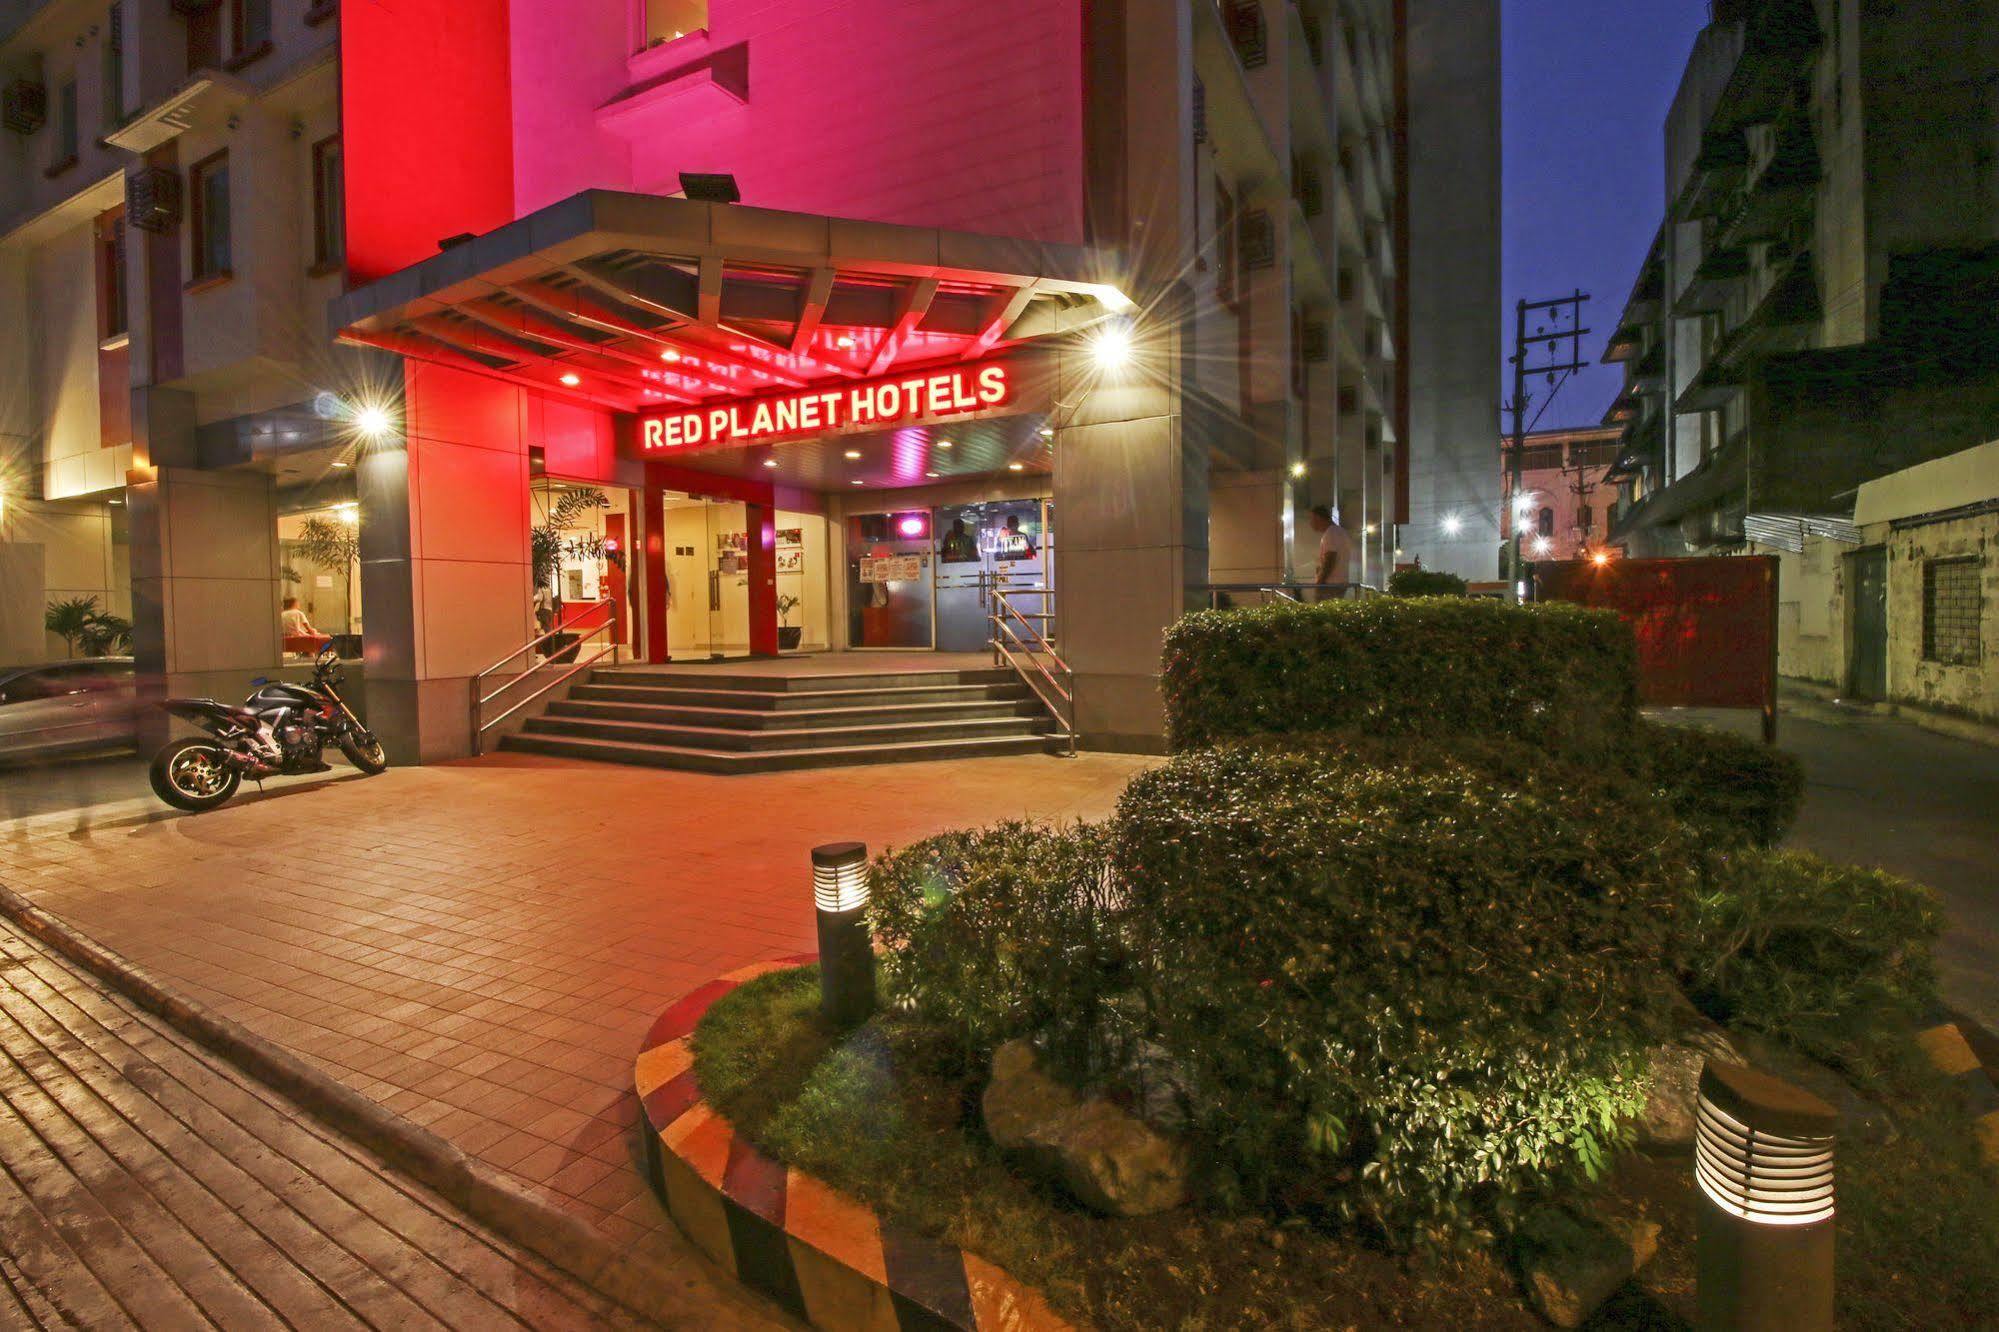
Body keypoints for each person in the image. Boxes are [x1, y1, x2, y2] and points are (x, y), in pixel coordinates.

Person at [1308, 505, 1356, 597]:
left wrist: (1320, 582)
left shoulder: (1331, 533)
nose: (1310, 523)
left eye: (1311, 519)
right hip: (1340, 582)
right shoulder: (1341, 532)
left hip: (1331, 584)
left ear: (1318, 518)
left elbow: (1330, 560)